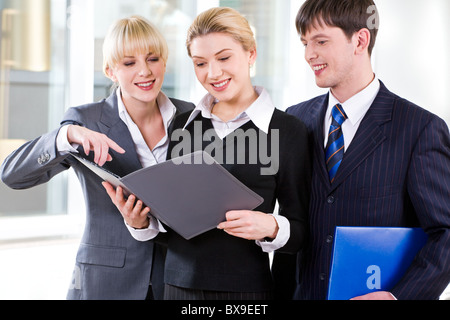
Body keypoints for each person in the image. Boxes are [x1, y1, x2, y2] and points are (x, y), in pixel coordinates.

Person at [109, 7, 311, 300]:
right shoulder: (182, 125)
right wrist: (139, 223)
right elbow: (171, 222)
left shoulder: (287, 130)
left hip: (246, 291)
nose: (213, 73)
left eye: (224, 58)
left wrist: (271, 225)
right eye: (200, 63)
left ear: (251, 54)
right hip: (178, 287)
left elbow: (302, 231)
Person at [0, 16, 194, 300]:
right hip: (106, 282)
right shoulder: (85, 121)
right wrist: (65, 137)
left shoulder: (190, 116)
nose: (145, 71)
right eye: (129, 63)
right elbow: (11, 175)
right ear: (110, 70)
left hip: (177, 280)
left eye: (153, 58)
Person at [286, 0, 450, 300]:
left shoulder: (419, 128)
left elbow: (445, 232)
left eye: (321, 41)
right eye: (305, 43)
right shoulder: (295, 119)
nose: (310, 54)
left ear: (360, 40)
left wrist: (398, 297)